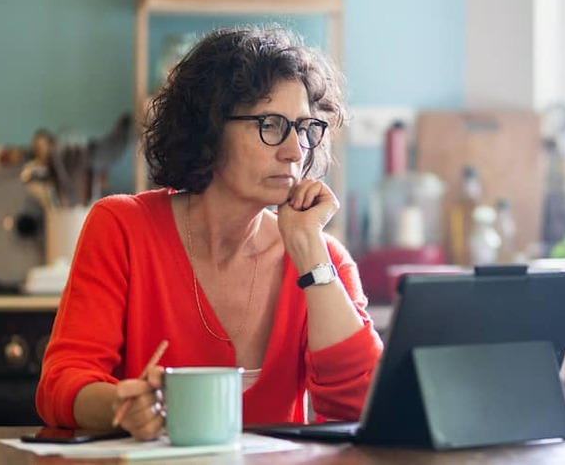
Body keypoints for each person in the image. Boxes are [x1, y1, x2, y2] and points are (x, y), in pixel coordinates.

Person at [35, 25, 384, 441]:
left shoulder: (322, 259)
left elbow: (365, 407)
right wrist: (121, 406)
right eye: (270, 124)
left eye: (306, 128)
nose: (295, 151)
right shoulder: (122, 228)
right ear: (209, 128)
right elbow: (61, 384)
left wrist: (310, 253)